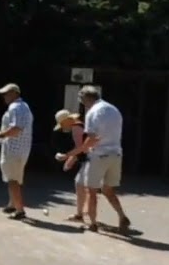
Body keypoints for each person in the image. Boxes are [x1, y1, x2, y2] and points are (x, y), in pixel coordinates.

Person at [75, 85, 131, 233]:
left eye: (82, 101)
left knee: (91, 190)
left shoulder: (92, 112)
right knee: (108, 189)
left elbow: (92, 138)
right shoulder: (114, 109)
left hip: (99, 155)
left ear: (86, 98)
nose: (82, 104)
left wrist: (76, 152)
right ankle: (121, 215)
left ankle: (93, 223)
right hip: (116, 153)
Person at [0, 82, 33, 220]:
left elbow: (16, 128)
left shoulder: (16, 107)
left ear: (15, 93)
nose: (4, 97)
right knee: (13, 178)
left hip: (14, 149)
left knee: (13, 180)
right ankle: (12, 204)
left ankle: (20, 210)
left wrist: (0, 134)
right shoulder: (23, 106)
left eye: (6, 94)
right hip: (20, 149)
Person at [52, 109, 88, 222]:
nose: (62, 127)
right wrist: (70, 159)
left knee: (81, 185)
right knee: (83, 185)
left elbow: (80, 149)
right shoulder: (79, 124)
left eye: (62, 123)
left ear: (67, 120)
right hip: (91, 159)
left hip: (91, 159)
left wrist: (67, 158)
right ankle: (83, 212)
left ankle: (81, 215)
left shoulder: (76, 128)